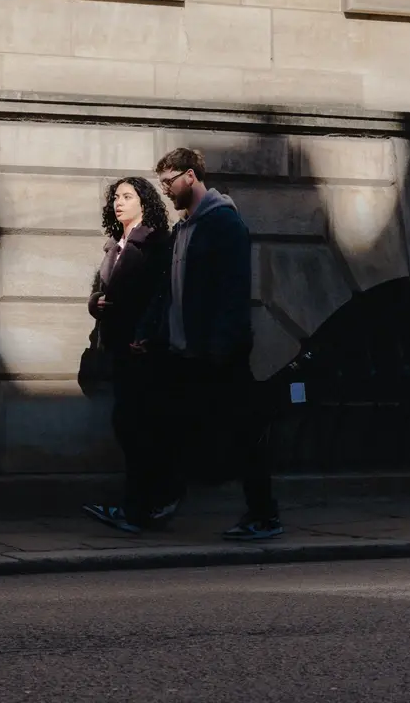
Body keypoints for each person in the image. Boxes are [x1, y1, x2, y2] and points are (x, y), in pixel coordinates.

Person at [146, 147, 282, 541]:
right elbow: (172, 294)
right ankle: (166, 496)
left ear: (190, 176)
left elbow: (233, 291)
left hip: (219, 354)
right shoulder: (184, 230)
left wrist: (222, 348)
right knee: (170, 425)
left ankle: (264, 515)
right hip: (187, 353)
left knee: (243, 434)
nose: (166, 191)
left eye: (169, 182)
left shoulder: (223, 223)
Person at [82, 176, 172, 534]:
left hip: (142, 351)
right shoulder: (113, 247)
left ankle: (143, 507)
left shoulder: (154, 242)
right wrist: (95, 303)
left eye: (127, 196)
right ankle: (141, 505)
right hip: (119, 349)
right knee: (129, 427)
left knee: (137, 428)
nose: (119, 202)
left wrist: (148, 333)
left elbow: (162, 295)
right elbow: (99, 292)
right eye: (116, 197)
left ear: (144, 202)